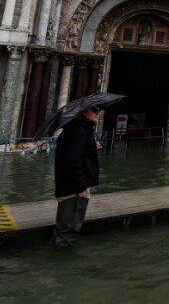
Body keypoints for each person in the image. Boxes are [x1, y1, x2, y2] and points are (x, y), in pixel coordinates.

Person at [52, 105, 101, 247]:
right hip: (74, 190)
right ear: (83, 112)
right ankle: (63, 257)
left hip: (68, 187)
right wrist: (81, 187)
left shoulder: (75, 130)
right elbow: (73, 161)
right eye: (94, 110)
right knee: (68, 231)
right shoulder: (79, 131)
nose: (98, 113)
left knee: (64, 228)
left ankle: (57, 251)